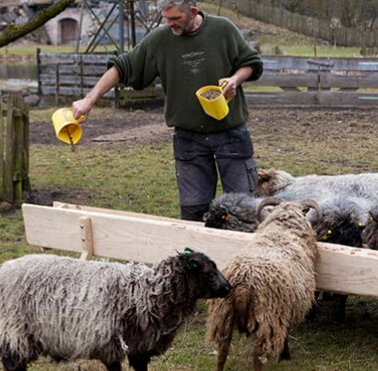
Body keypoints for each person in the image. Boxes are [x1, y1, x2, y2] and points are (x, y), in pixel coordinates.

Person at [72, 0, 263, 221]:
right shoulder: (160, 40)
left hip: (231, 135)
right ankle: (194, 255)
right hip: (189, 139)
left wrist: (234, 80)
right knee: (193, 212)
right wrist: (89, 100)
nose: (170, 24)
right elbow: (121, 67)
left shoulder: (223, 29)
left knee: (243, 211)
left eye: (175, 18)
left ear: (192, 12)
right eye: (166, 18)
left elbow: (251, 62)